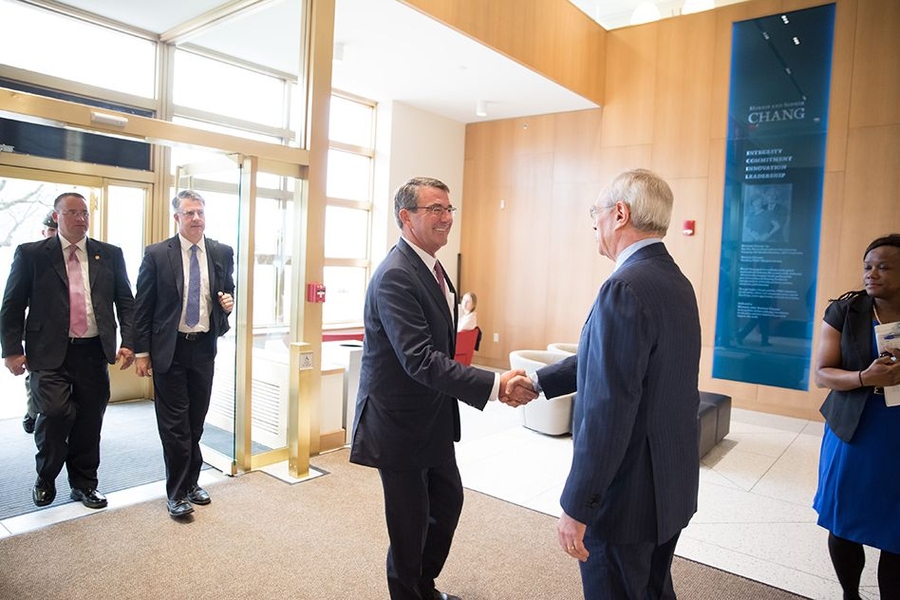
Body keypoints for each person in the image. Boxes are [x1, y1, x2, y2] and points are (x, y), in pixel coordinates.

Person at [510, 169, 702, 599]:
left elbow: (607, 411)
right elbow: (613, 358)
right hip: (669, 487)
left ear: (620, 214)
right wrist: (540, 381)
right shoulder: (674, 281)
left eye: (595, 212)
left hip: (627, 498)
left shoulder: (623, 287)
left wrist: (578, 506)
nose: (593, 222)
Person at [349, 176, 536, 600]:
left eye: (449, 209)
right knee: (409, 524)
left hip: (431, 419)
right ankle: (409, 593)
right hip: (397, 425)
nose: (446, 218)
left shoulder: (433, 268)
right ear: (406, 216)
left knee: (446, 505)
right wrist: (494, 384)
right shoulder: (395, 275)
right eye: (435, 209)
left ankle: (424, 586)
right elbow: (419, 359)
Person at [1, 192, 135, 509]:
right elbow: (11, 305)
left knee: (89, 421)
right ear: (57, 216)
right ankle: (46, 476)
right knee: (55, 414)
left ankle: (85, 485)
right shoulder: (32, 254)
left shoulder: (109, 254)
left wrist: (129, 342)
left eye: (85, 213)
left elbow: (126, 302)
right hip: (47, 353)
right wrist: (11, 351)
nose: (80, 218)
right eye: (72, 212)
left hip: (92, 351)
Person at [133, 190, 235, 519]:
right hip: (169, 349)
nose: (196, 218)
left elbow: (226, 289)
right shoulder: (157, 254)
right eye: (189, 213)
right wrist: (142, 352)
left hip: (203, 347)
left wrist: (227, 304)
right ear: (176, 218)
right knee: (175, 426)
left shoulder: (221, 251)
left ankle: (192, 482)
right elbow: (142, 307)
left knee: (195, 423)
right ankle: (176, 493)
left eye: (200, 212)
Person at [813, 234, 900, 599]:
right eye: (867, 267)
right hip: (854, 428)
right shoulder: (845, 312)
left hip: (895, 431)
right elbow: (822, 374)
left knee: (895, 530)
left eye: (883, 267)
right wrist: (866, 377)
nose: (872, 274)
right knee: (844, 522)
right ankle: (851, 594)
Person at [21, 210, 59, 434]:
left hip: (74, 336)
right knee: (36, 381)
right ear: (43, 232)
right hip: (41, 335)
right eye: (51, 231)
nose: (54, 235)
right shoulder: (32, 256)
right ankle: (32, 412)